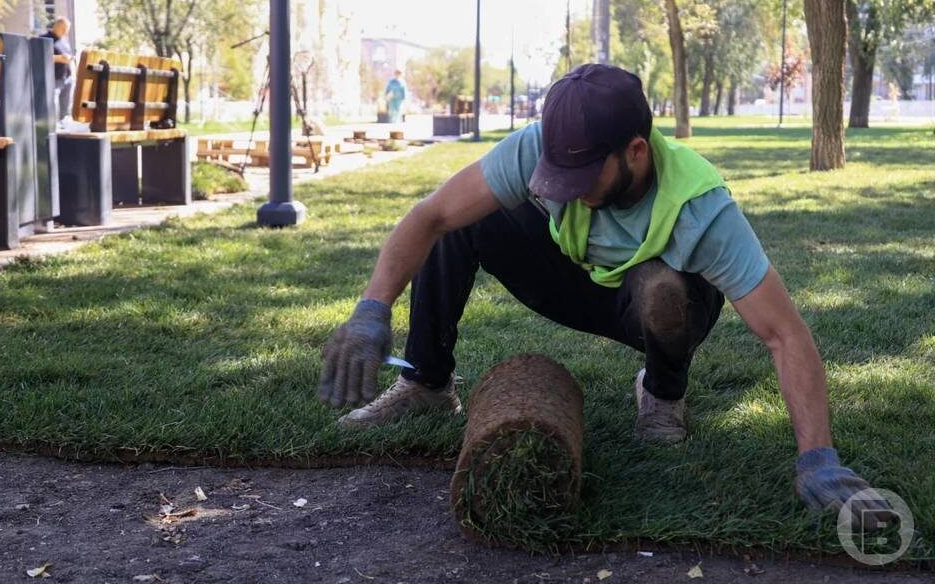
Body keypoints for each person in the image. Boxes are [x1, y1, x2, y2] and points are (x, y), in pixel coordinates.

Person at [319, 64, 893, 524]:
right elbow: (430, 214)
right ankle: (426, 382)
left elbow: (783, 334)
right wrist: (372, 309)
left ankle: (662, 395)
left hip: (655, 306)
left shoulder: (702, 208)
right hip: (578, 279)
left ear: (636, 152)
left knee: (662, 291)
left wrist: (818, 459)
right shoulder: (547, 147)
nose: (564, 189)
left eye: (584, 177)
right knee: (461, 221)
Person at [42, 17, 74, 123]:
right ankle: (53, 126)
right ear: (57, 26)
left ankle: (64, 126)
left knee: (65, 107)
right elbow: (40, 56)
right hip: (53, 78)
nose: (65, 32)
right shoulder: (44, 38)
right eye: (64, 29)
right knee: (53, 104)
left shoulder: (64, 41)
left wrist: (70, 58)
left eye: (67, 30)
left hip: (67, 78)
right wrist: (59, 58)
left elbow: (68, 55)